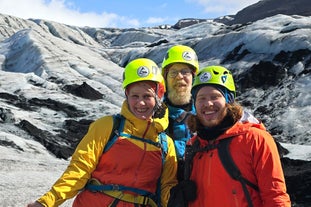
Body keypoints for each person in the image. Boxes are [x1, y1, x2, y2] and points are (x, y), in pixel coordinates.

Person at [27, 58, 178, 207]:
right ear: (127, 95)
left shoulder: (165, 145)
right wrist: (46, 203)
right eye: (135, 96)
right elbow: (80, 169)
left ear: (159, 95)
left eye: (147, 96)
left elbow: (167, 191)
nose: (140, 103)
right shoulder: (108, 126)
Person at [171, 65, 291, 206]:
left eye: (215, 97)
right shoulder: (194, 146)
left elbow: (275, 196)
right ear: (195, 104)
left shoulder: (255, 139)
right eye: (201, 98)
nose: (208, 103)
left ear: (229, 100)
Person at [161, 44, 199, 180]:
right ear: (165, 79)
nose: (179, 77)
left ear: (193, 77)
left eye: (185, 71)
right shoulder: (153, 119)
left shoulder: (209, 117)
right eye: (173, 72)